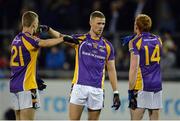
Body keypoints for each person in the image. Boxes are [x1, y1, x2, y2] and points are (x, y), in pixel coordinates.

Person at [9, 11, 78, 120]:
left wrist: (35, 77)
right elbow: (43, 43)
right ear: (34, 25)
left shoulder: (15, 39)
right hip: (27, 87)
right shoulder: (29, 39)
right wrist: (62, 39)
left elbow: (24, 64)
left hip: (14, 86)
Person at [67, 11, 121, 120]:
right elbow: (61, 37)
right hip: (79, 86)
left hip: (97, 89)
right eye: (98, 23)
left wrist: (116, 92)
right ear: (91, 23)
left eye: (103, 24)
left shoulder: (108, 46)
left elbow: (111, 70)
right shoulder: (80, 40)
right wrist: (49, 30)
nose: (101, 26)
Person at [127, 14, 163, 120]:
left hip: (142, 85)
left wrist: (130, 91)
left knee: (135, 118)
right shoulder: (158, 39)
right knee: (154, 117)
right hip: (157, 84)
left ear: (137, 26)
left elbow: (133, 68)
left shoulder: (135, 42)